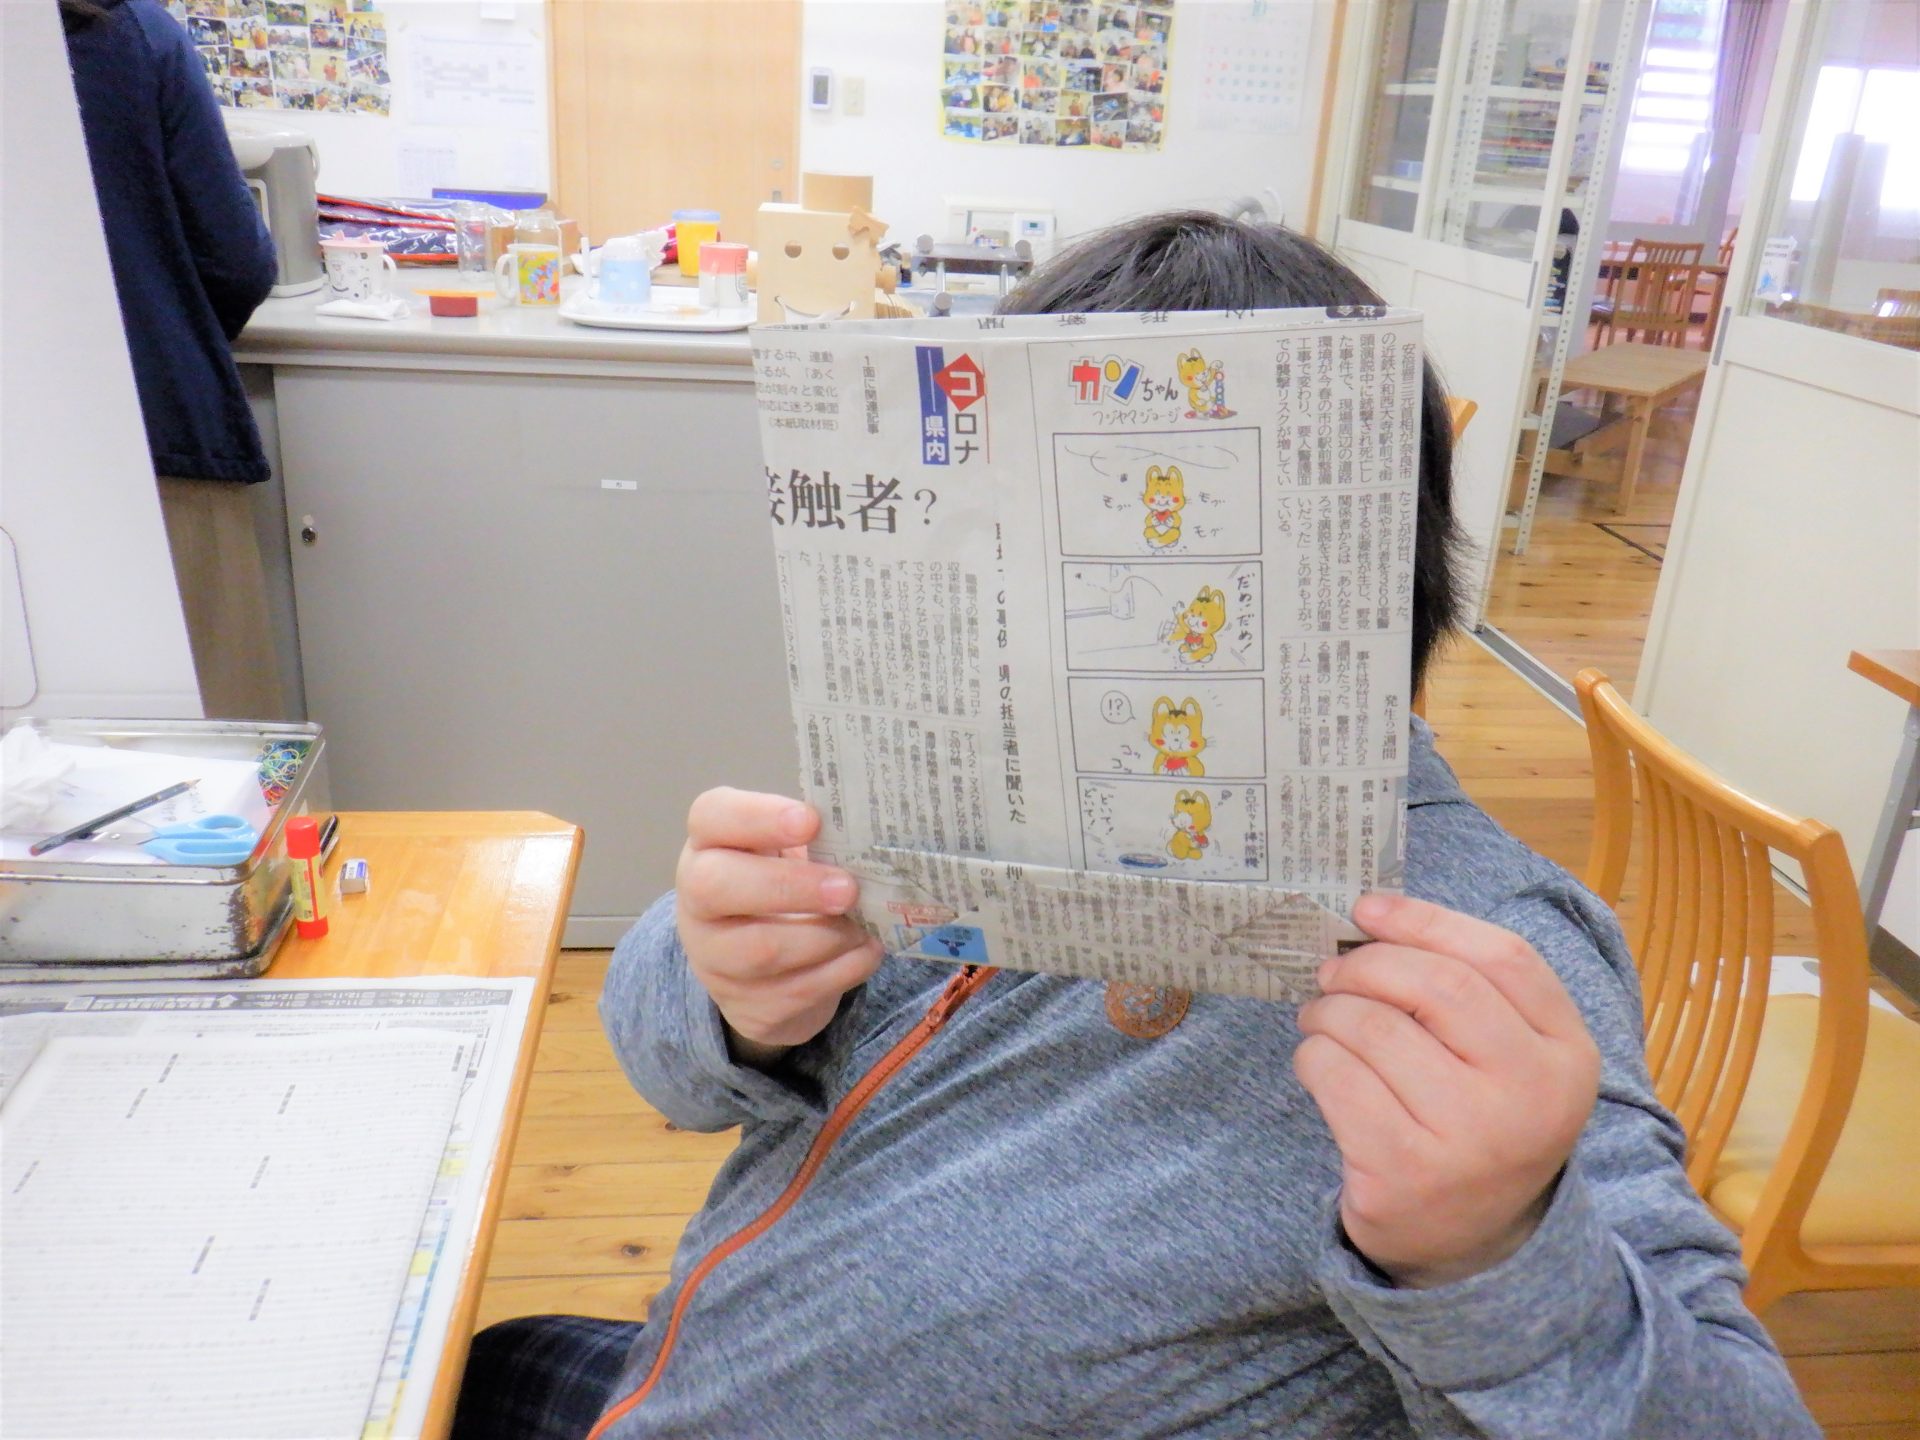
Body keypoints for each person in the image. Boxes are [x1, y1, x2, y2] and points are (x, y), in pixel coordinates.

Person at [451, 214, 1819, 1439]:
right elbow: (674, 1078)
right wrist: (724, 994)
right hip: (692, 1363)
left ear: (1360, 565)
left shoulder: (1485, 949)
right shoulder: (945, 776)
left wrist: (1496, 1253)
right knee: (489, 1362)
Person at [62, 0, 284, 719]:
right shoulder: (130, 36)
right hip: (153, 427)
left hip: (36, 460)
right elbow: (235, 261)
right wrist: (169, 328)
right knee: (212, 740)